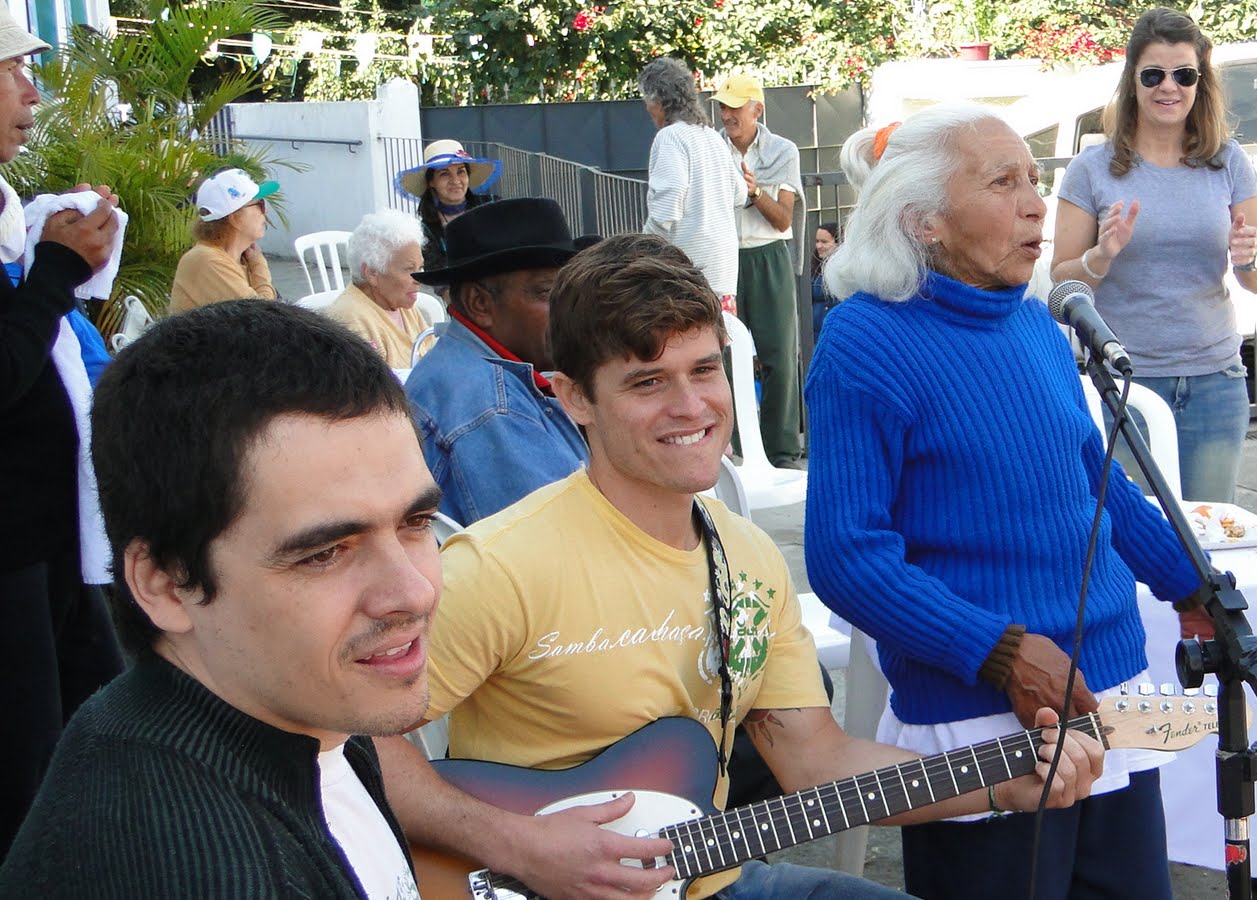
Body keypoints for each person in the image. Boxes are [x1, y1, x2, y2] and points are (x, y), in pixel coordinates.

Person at [373, 233, 1104, 900]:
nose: (691, 406)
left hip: (709, 878)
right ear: (574, 398)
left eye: (704, 369)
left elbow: (814, 761)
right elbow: (353, 742)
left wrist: (1001, 785)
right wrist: (521, 846)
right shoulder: (500, 566)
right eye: (647, 382)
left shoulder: (749, 560)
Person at [804, 101, 1209, 900]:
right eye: (1002, 183)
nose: (1036, 206)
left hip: (1111, 690)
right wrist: (1001, 651)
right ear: (924, 220)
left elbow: (1096, 485)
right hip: (980, 719)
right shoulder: (864, 342)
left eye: (1034, 180)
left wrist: (1193, 583)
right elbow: (847, 559)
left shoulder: (1034, 325)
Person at [0, 300, 441, 896]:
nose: (412, 591)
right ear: (165, 583)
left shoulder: (292, 698)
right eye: (324, 553)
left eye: (416, 522)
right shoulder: (205, 871)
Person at [1050, 7, 1257, 504]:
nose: (1168, 87)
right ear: (1132, 81)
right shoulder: (1092, 169)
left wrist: (1247, 258)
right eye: (1153, 75)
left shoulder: (1229, 161)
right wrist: (1101, 255)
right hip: (1127, 384)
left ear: (1199, 82)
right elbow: (1062, 282)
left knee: (1209, 533)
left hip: (1215, 383)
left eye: (1183, 75)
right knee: (1137, 535)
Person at [0, 7, 124, 857]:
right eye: (11, 71)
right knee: (29, 784)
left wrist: (60, 261)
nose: (32, 93)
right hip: (13, 559)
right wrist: (52, 270)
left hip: (45, 545)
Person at [404, 197, 587, 526]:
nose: (569, 311)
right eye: (547, 294)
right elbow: (563, 535)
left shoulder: (465, 366)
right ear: (479, 303)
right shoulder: (491, 406)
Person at [714, 73, 806, 468]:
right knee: (723, 354)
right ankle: (731, 449)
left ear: (757, 110)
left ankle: (781, 450)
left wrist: (752, 191)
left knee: (779, 355)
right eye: (722, 106)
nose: (726, 114)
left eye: (735, 106)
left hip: (769, 256)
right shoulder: (711, 148)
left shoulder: (782, 150)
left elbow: (783, 220)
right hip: (722, 257)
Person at [640, 57, 744, 311]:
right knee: (720, 334)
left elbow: (668, 204)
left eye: (647, 101)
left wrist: (641, 247)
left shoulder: (670, 137)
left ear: (657, 101)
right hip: (723, 273)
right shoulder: (712, 136)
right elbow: (740, 194)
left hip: (686, 274)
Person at [323, 209, 434, 368]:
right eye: (409, 269)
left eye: (420, 267)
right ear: (372, 273)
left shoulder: (401, 303)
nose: (419, 279)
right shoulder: (350, 322)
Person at [168, 168, 278, 313]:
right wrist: (259, 265)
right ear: (234, 218)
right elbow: (265, 315)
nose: (266, 211)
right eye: (260, 204)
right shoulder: (208, 260)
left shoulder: (237, 258)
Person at [397, 138, 501, 273]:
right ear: (431, 182)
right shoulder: (426, 232)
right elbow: (438, 276)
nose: (455, 180)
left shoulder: (492, 206)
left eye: (461, 171)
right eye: (444, 173)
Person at [812, 221, 840, 341]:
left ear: (837, 243)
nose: (819, 246)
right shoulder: (813, 267)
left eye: (824, 242)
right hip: (813, 335)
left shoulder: (845, 270)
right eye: (817, 241)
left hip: (834, 332)